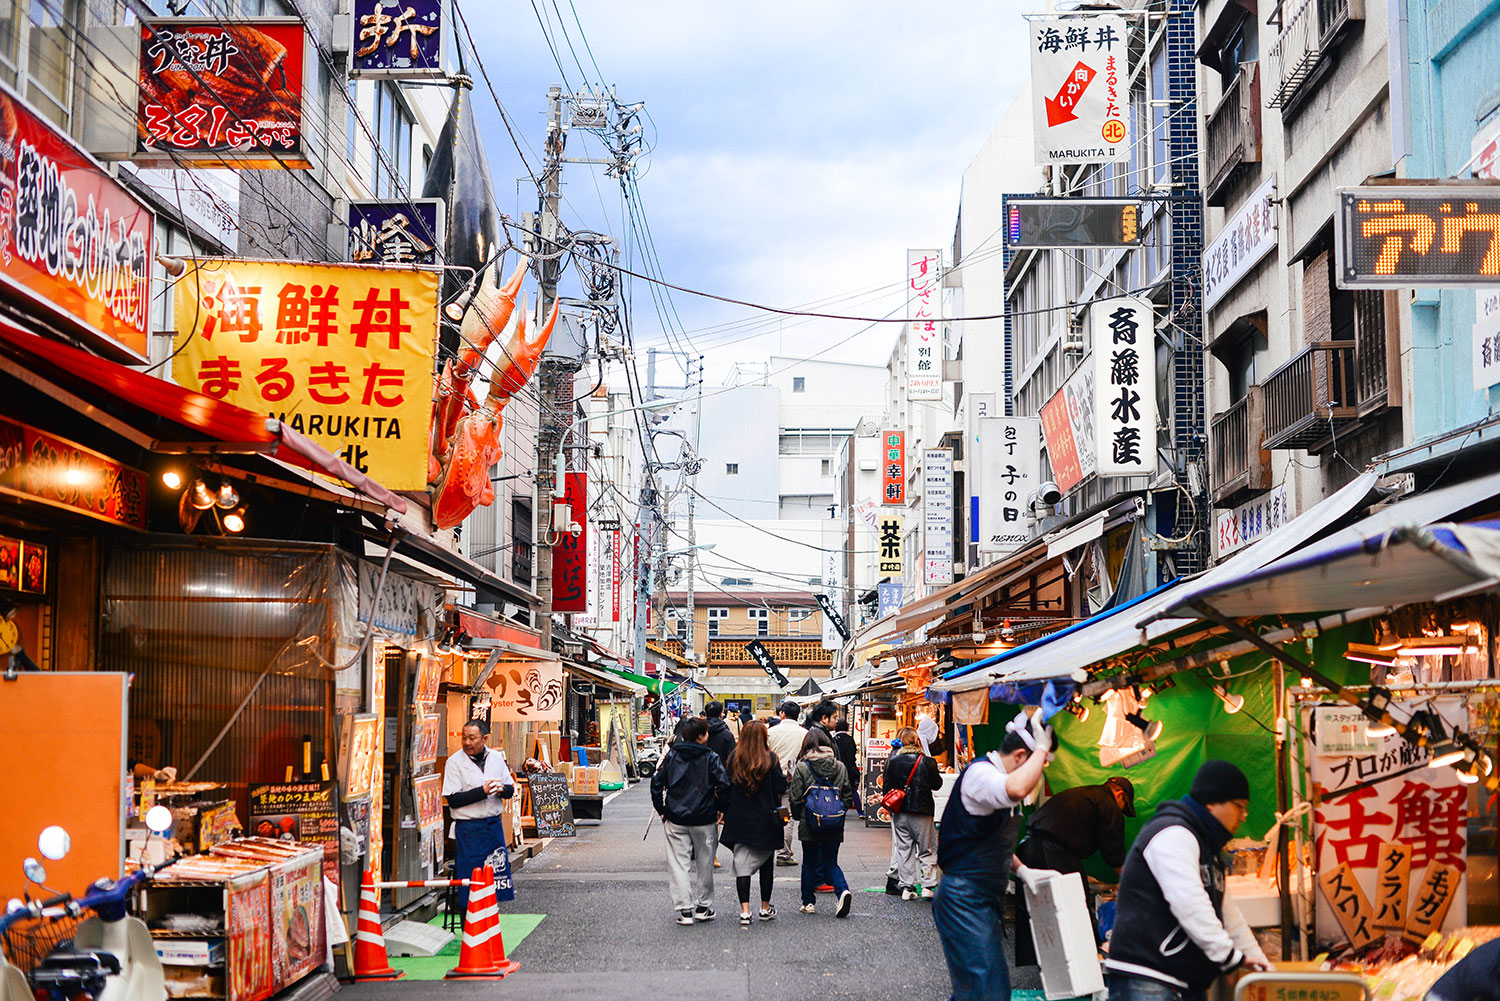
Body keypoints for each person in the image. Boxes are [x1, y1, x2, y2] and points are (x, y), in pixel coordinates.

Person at [1106, 760, 1272, 1001]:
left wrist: (1262, 968)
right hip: (1149, 978)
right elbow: (1189, 902)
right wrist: (1229, 957)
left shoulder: (1208, 849)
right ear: (1213, 802)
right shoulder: (1174, 833)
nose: (1242, 817)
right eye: (1240, 807)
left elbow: (1227, 914)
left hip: (1181, 981)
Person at [933, 713, 1053, 1001]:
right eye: (1038, 765)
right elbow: (1017, 788)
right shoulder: (981, 774)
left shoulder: (994, 778)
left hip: (982, 898)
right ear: (1022, 755)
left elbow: (989, 841)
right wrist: (1042, 750)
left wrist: (1022, 870)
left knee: (986, 990)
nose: (1039, 773)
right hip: (963, 897)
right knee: (985, 991)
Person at [1014, 777, 1136, 965]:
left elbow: (1062, 835)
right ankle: (1081, 964)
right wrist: (1132, 882)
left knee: (1036, 910)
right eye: (1123, 806)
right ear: (1120, 794)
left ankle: (1044, 964)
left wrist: (1081, 874)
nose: (1120, 810)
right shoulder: (1108, 804)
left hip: (1029, 849)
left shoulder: (1083, 794)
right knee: (1072, 907)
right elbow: (1114, 854)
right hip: (1051, 851)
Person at [650, 716, 730, 925]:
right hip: (704, 818)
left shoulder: (672, 756)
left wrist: (662, 810)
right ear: (703, 736)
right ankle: (704, 907)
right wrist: (721, 808)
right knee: (705, 863)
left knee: (678, 864)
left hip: (675, 817)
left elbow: (656, 782)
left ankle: (685, 910)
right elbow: (723, 784)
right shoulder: (711, 757)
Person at [442, 719, 516, 912]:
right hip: (468, 829)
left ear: (484, 739)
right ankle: (470, 926)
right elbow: (453, 799)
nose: (467, 742)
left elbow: (510, 789)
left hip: (492, 826)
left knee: (495, 875)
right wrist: (482, 791)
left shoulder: (496, 758)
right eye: (464, 737)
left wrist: (501, 789)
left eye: (472, 738)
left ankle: (490, 919)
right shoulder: (454, 762)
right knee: (470, 880)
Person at [719, 720, 787, 926]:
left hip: (739, 818)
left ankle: (745, 910)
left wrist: (722, 809)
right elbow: (780, 786)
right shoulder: (771, 759)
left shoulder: (734, 759)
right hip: (766, 819)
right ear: (764, 737)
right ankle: (765, 907)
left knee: (742, 864)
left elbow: (725, 787)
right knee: (767, 865)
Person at [787, 727, 853, 918]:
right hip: (834, 822)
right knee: (830, 861)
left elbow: (795, 796)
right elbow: (847, 794)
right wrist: (837, 812)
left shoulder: (802, 767)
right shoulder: (839, 766)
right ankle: (842, 891)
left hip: (810, 822)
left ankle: (808, 902)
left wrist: (800, 816)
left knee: (809, 862)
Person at [883, 725, 943, 900]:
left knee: (904, 849)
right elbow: (937, 784)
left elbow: (887, 786)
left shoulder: (893, 761)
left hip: (900, 811)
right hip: (923, 811)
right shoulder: (927, 762)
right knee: (927, 848)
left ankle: (907, 888)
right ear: (917, 742)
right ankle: (928, 886)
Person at [765, 701, 807, 866]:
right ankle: (783, 853)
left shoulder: (771, 732)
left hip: (771, 777)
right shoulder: (804, 733)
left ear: (782, 714)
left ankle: (770, 845)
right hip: (793, 779)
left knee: (770, 811)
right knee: (786, 816)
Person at [832, 715, 861, 816]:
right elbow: (852, 755)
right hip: (850, 769)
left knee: (837, 790)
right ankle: (860, 811)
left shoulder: (834, 739)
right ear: (847, 728)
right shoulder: (850, 739)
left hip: (837, 769)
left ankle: (837, 810)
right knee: (853, 790)